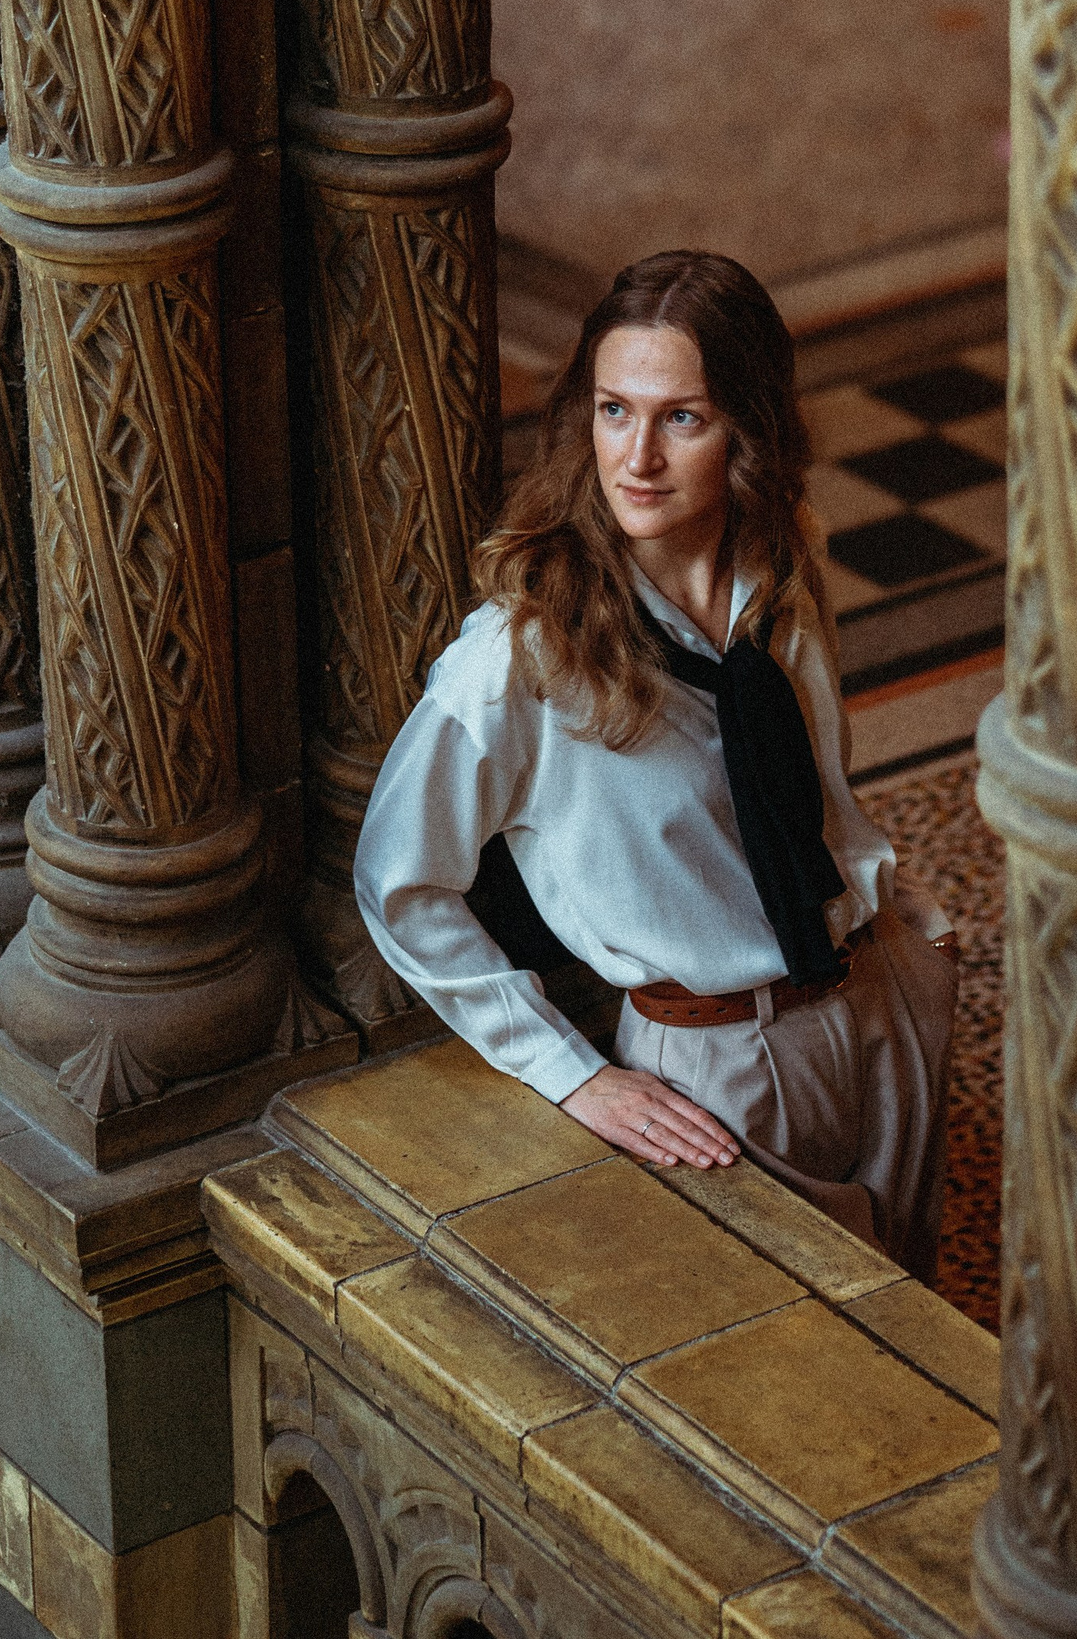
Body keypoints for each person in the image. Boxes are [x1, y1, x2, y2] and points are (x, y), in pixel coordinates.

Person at [354, 249, 961, 1283]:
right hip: (718, 1061)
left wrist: (916, 956)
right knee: (791, 1382)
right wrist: (570, 1073)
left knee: (920, 1324)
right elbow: (398, 879)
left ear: (750, 433)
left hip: (878, 997)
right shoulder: (524, 654)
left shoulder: (784, 558)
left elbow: (814, 784)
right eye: (612, 410)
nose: (635, 456)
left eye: (681, 416)